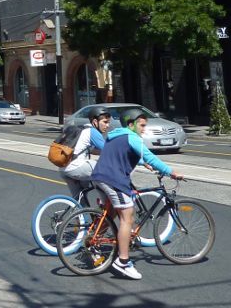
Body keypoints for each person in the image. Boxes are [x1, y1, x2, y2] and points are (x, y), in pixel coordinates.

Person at [91, 108, 183, 280]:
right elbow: (150, 157)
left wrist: (142, 163)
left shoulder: (116, 135)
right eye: (141, 125)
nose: (144, 129)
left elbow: (123, 153)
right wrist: (171, 172)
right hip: (113, 180)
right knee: (128, 217)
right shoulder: (133, 138)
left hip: (99, 177)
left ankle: (95, 241)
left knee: (110, 214)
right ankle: (123, 262)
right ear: (131, 124)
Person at [59, 105, 111, 199]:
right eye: (105, 122)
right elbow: (109, 150)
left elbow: (94, 150)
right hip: (75, 167)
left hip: (63, 168)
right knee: (105, 170)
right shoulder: (93, 132)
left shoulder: (83, 129)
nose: (108, 125)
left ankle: (82, 213)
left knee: (79, 199)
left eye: (108, 122)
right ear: (95, 122)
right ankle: (105, 204)